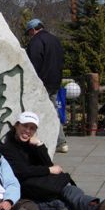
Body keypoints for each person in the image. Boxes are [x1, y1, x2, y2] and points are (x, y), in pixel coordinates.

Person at [0, 112, 105, 210]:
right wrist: (48, 171)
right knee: (60, 202)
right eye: (25, 126)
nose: (27, 131)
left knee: (69, 192)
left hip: (44, 187)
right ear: (16, 126)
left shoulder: (32, 145)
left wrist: (39, 145)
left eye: (32, 128)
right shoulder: (6, 149)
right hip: (29, 192)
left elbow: (48, 163)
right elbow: (21, 171)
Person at [25, 18, 68, 153]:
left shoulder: (36, 42)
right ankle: (61, 142)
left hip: (42, 83)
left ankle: (42, 140)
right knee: (53, 111)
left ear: (33, 30)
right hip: (55, 81)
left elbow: (33, 64)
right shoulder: (55, 40)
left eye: (29, 32)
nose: (29, 35)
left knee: (35, 111)